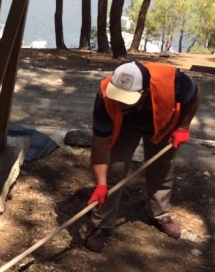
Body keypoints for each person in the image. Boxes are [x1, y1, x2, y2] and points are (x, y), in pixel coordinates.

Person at [83, 61, 200, 253]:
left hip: (162, 121)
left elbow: (194, 97)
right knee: (114, 169)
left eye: (126, 100)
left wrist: (183, 127)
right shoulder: (105, 97)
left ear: (144, 92)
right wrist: (100, 184)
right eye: (118, 97)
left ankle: (159, 214)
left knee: (161, 167)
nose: (120, 104)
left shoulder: (174, 82)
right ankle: (101, 224)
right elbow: (100, 145)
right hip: (125, 126)